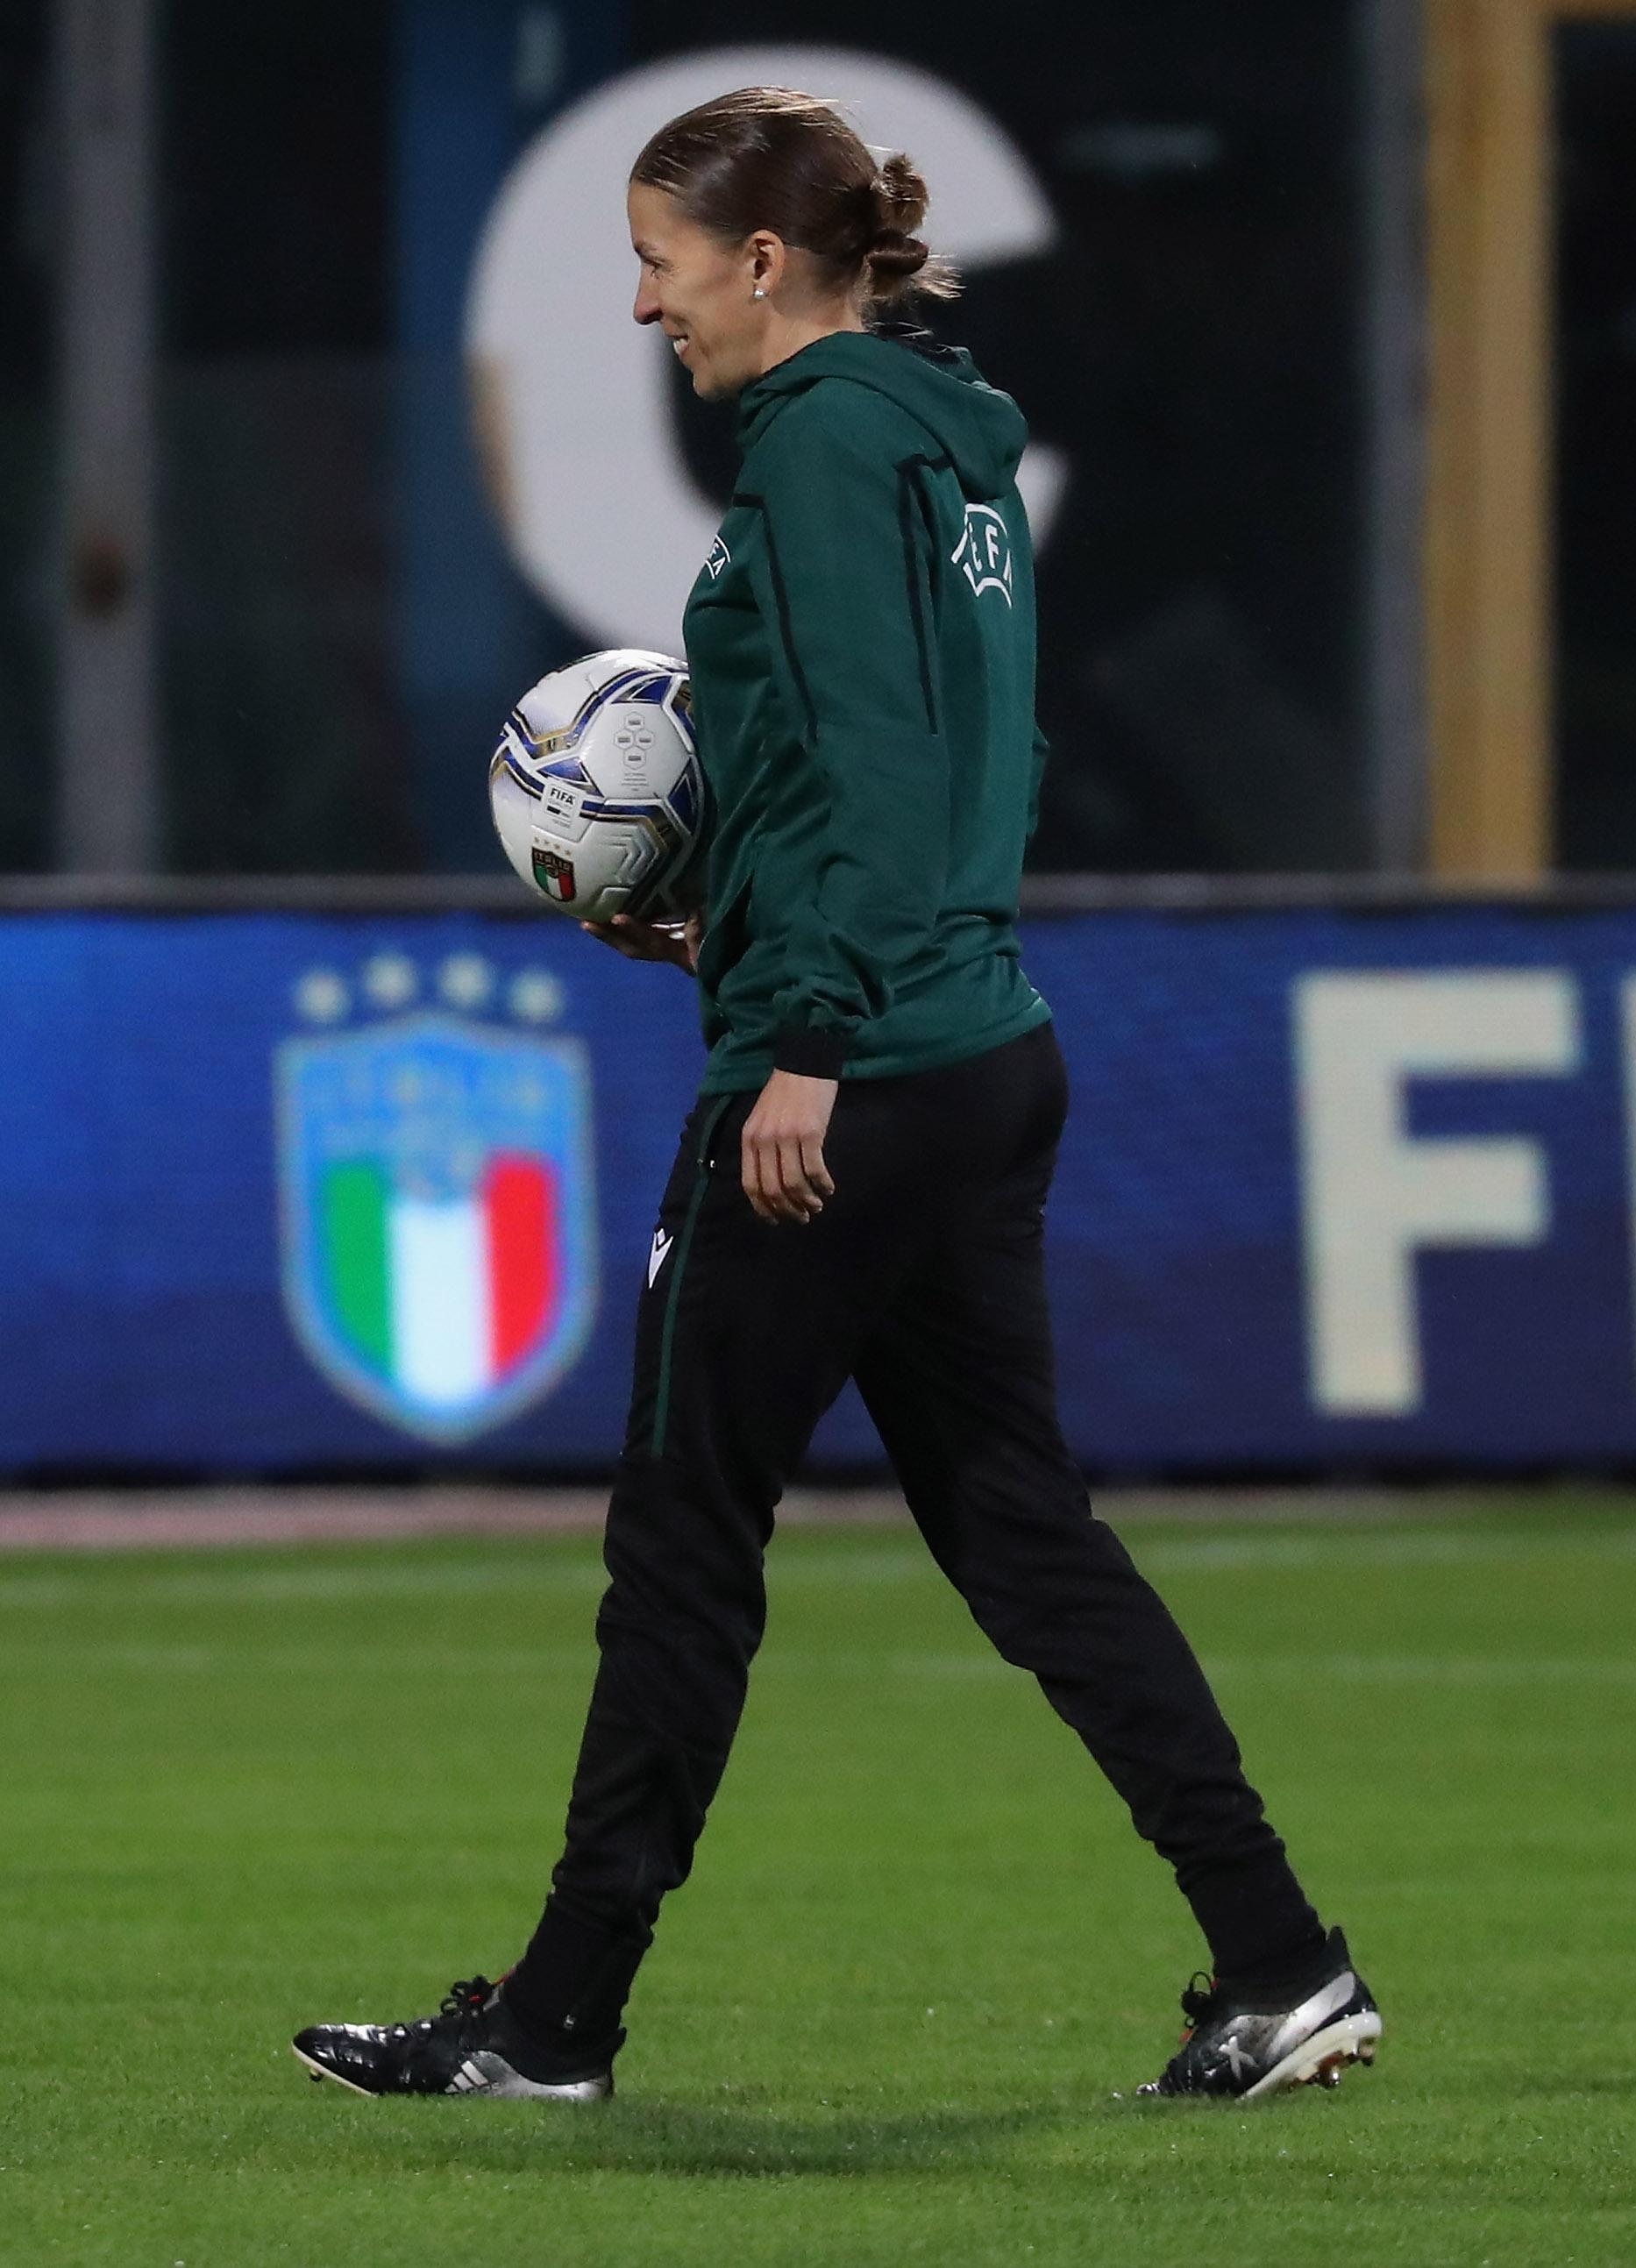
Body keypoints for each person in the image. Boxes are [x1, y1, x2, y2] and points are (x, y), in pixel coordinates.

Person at [291, 87, 1378, 2106]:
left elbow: (878, 758)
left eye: (659, 257)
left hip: (848, 1084)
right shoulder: (952, 444)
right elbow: (983, 761)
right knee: (1024, 1533)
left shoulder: (809, 451)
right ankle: (1281, 1955)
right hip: (976, 1043)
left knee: (686, 1545)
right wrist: (753, 938)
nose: (642, 303)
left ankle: (552, 2027)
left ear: (762, 264)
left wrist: (802, 1027)